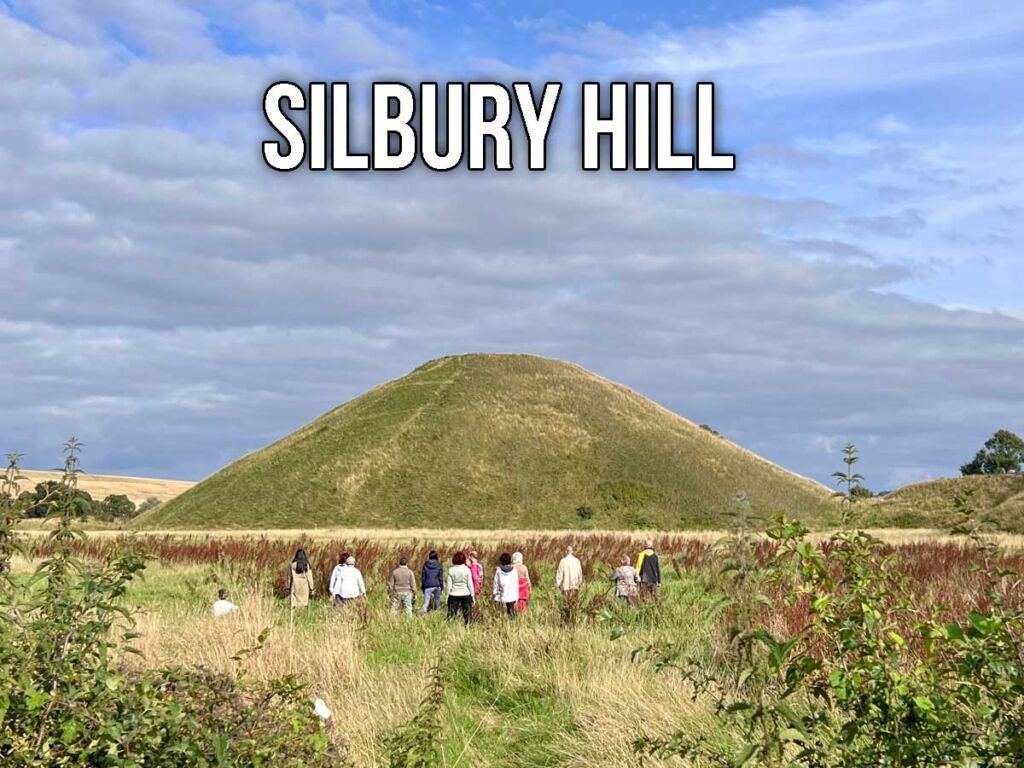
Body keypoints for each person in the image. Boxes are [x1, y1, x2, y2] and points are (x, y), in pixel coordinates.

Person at [446, 551, 475, 625]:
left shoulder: (451, 570)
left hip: (453, 594)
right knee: (467, 616)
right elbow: (470, 584)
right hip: (466, 594)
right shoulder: (467, 570)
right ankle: (468, 628)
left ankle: (450, 628)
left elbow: (449, 585)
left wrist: (447, 597)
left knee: (451, 615)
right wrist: (473, 596)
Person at [555, 545, 583, 619]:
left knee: (566, 604)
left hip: (565, 587)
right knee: (573, 604)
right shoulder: (577, 561)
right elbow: (580, 573)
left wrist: (557, 584)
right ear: (572, 551)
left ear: (566, 551)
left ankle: (566, 620)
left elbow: (559, 574)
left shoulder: (563, 561)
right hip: (575, 586)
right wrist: (579, 583)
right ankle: (573, 619)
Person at [492, 552, 519, 617]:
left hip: (501, 594)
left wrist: (495, 592)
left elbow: (496, 583)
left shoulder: (498, 571)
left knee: (500, 612)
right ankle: (511, 621)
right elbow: (515, 583)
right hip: (511, 594)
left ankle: (501, 621)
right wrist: (516, 596)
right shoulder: (514, 571)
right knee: (511, 611)